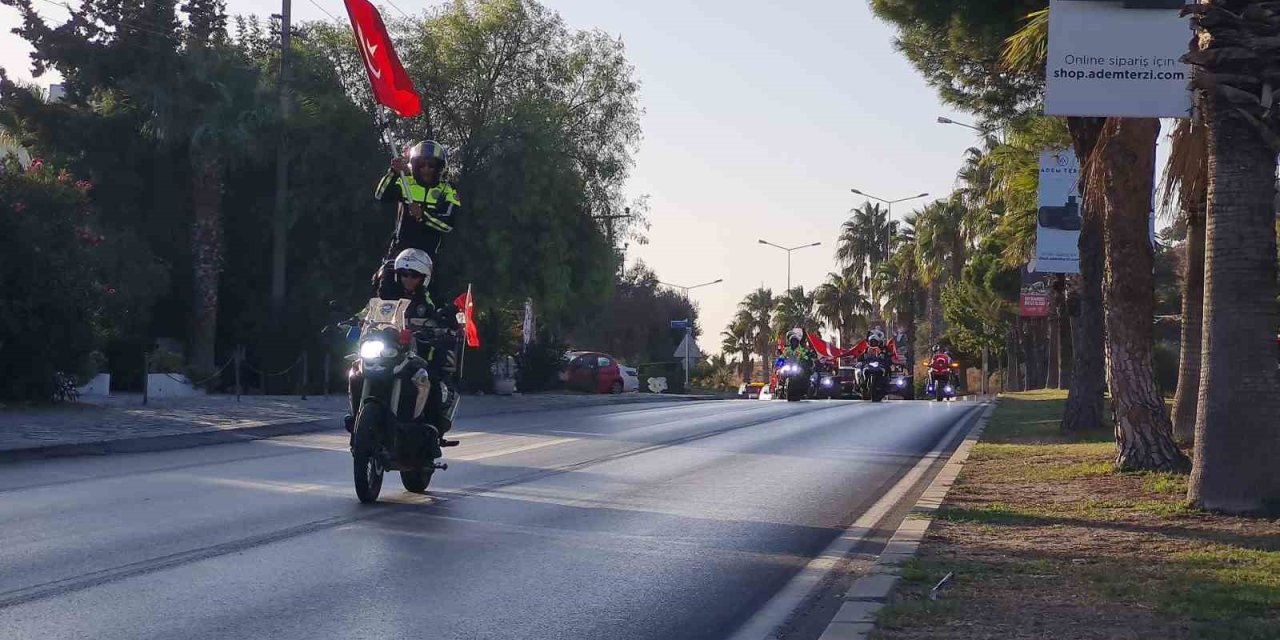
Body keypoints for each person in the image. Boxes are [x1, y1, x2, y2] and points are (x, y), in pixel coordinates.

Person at [347, 249, 461, 447]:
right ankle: (356, 418)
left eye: (414, 275)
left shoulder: (428, 298)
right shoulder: (385, 295)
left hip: (416, 350)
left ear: (424, 278)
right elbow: (369, 311)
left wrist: (445, 318)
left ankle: (433, 429)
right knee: (356, 371)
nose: (408, 279)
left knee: (429, 377)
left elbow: (445, 313)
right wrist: (353, 320)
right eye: (404, 274)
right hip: (387, 349)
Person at [370, 140, 461, 297]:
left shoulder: (448, 190)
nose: (426, 170)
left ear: (440, 168)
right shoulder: (406, 182)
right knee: (384, 284)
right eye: (421, 165)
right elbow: (380, 195)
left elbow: (448, 225)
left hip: (429, 254)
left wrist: (423, 215)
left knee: (434, 298)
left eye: (431, 166)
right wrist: (393, 171)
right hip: (399, 250)